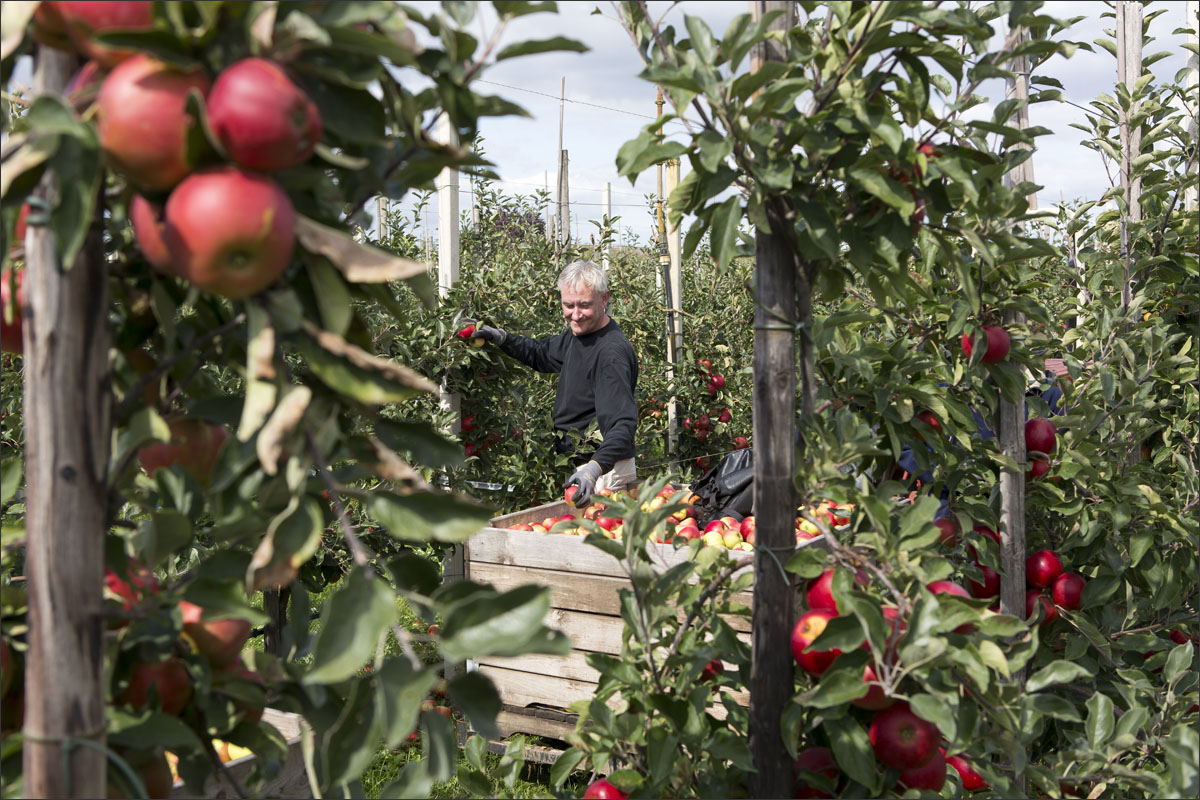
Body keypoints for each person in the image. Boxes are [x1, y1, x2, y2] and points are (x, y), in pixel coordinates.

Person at [466, 260, 638, 507]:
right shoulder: (578, 333)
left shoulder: (610, 354)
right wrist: (501, 338)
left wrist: (593, 470)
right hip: (584, 468)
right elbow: (542, 353)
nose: (575, 314)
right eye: (568, 305)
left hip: (603, 471)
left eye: (584, 305)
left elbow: (623, 424)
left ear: (604, 299)